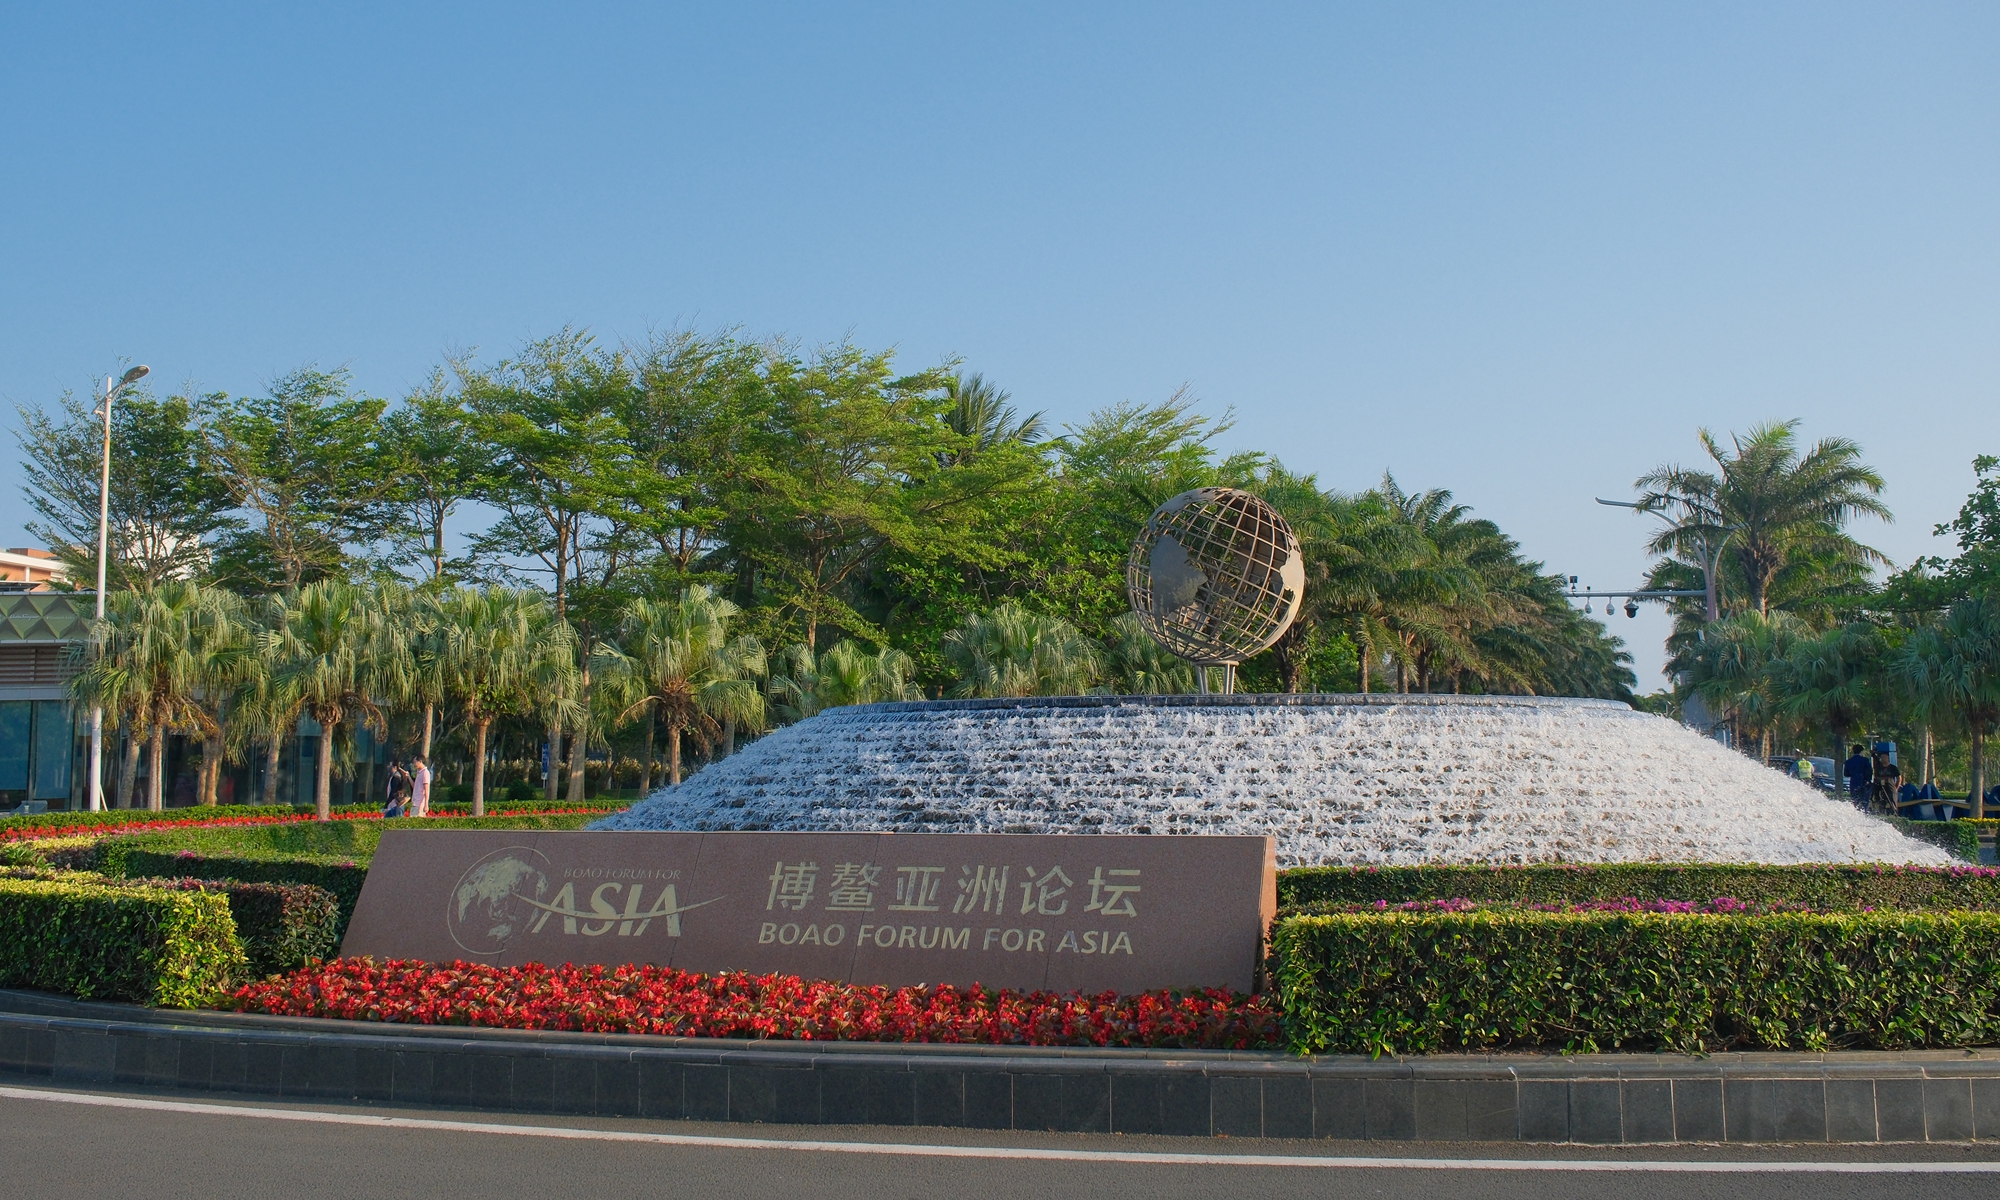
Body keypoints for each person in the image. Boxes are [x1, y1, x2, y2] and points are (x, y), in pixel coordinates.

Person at [1843, 744, 1872, 811]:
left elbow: (1846, 774)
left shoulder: (1848, 762)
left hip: (1854, 783)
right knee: (1864, 801)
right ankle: (1864, 813)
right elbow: (1869, 770)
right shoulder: (1865, 760)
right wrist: (1868, 779)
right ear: (1861, 751)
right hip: (1864, 782)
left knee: (1855, 801)